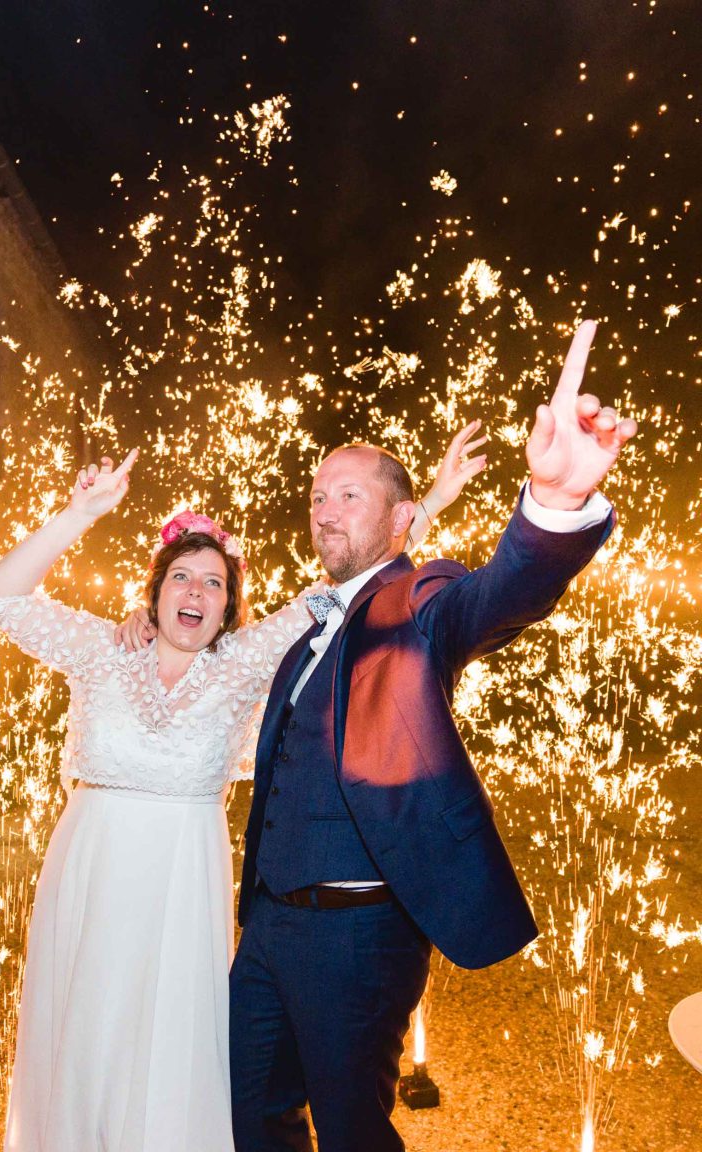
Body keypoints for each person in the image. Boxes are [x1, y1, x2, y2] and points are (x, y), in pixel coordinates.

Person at [0, 422, 486, 1152]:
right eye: (182, 575)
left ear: (227, 608)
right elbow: (1, 596)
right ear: (154, 593)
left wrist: (424, 500)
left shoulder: (241, 664)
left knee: (174, 1042)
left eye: (215, 582)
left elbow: (349, 589)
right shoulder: (101, 651)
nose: (197, 589)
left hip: (183, 881)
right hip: (90, 870)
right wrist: (80, 515)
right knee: (84, 1028)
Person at [222, 320, 637, 1152]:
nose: (324, 509)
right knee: (254, 1123)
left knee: (351, 1134)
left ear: (404, 516)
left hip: (360, 936)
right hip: (265, 932)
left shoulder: (419, 601)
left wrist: (554, 508)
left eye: (349, 494)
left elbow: (497, 595)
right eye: (316, 494)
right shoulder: (304, 631)